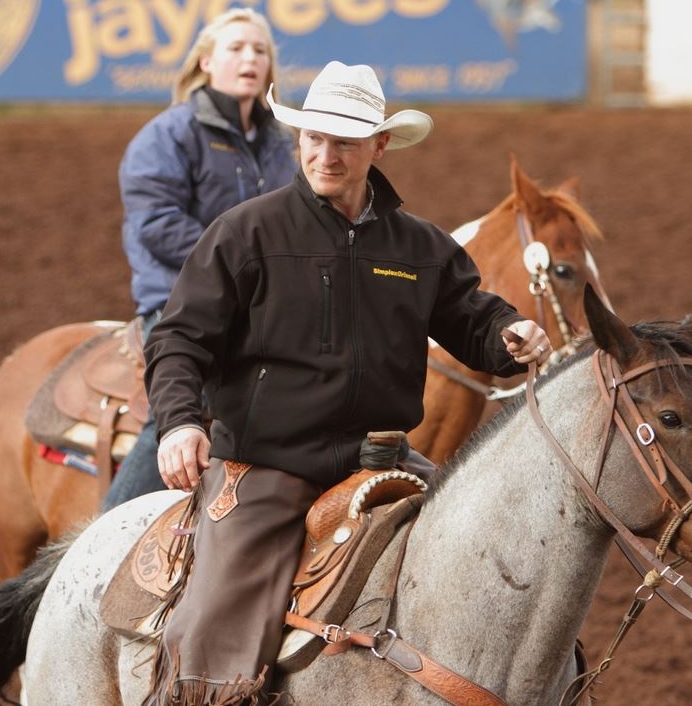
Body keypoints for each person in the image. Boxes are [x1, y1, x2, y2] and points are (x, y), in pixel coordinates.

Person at [143, 61, 553, 704]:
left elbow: (472, 317)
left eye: (346, 141)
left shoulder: (420, 246)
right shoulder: (247, 233)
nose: (326, 155)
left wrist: (510, 334)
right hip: (267, 465)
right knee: (214, 640)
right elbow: (178, 339)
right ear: (299, 139)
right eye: (315, 138)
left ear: (380, 145)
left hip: (384, 457)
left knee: (498, 560)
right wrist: (181, 423)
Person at [101, 8, 297, 511]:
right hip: (179, 305)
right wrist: (249, 265)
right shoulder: (167, 135)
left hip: (265, 305)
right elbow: (155, 224)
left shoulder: (281, 141)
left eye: (260, 50)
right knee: (186, 402)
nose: (250, 58)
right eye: (236, 48)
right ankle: (103, 536)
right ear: (206, 63)